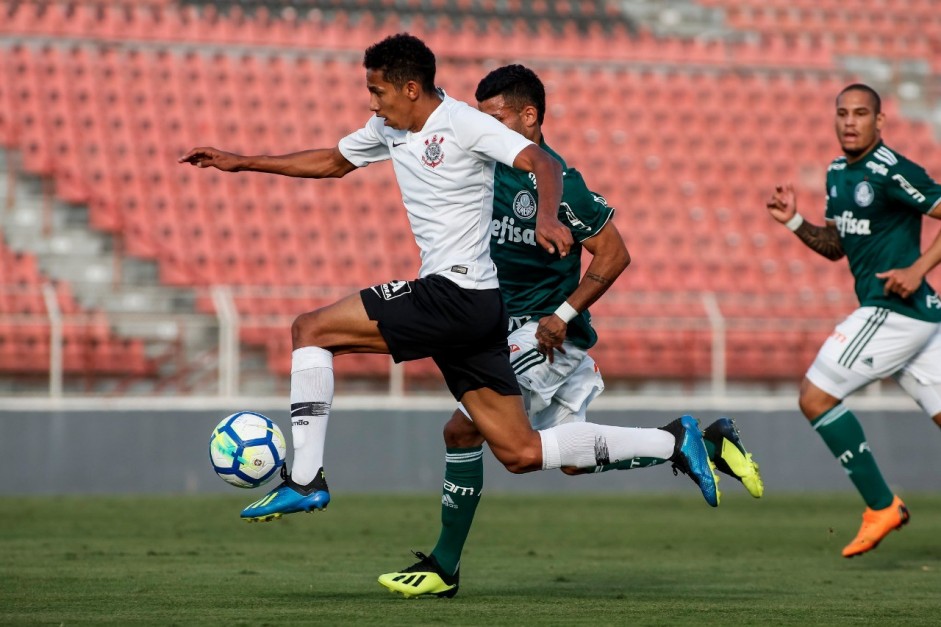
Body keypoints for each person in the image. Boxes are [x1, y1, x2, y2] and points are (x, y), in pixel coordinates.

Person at [179, 35, 719, 528]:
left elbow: (541, 163)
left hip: (453, 294)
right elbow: (331, 161)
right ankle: (674, 441)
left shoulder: (463, 122)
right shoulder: (388, 130)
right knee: (521, 452)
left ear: (410, 88)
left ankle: (306, 479)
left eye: (377, 90)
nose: (372, 102)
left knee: (310, 330)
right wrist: (240, 161)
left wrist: (547, 217)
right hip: (480, 311)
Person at [378, 65, 764, 599]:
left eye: (497, 116)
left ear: (529, 117)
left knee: (466, 432)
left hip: (541, 334)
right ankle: (690, 437)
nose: (485, 127)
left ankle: (444, 568)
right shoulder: (484, 168)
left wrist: (562, 312)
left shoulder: (563, 182)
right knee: (568, 461)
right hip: (509, 332)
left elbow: (616, 253)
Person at [766, 83, 941, 558]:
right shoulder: (838, 173)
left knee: (815, 396)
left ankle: (882, 506)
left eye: (861, 113)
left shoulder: (893, 171)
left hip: (894, 310)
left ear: (879, 122)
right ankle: (882, 506)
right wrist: (794, 221)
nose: (849, 121)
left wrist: (917, 269)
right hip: (920, 320)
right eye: (842, 113)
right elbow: (837, 247)